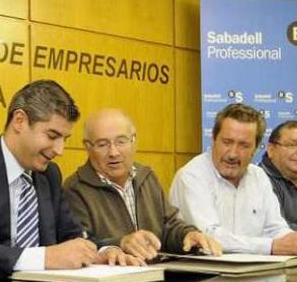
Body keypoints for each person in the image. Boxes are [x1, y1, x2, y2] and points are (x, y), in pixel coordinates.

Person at [0, 80, 138, 282]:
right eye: (52, 136)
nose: (59, 150)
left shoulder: (48, 175)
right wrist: (46, 257)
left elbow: (71, 235)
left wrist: (102, 252)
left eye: (64, 139)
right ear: (20, 121)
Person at [64, 109, 221, 261]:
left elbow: (168, 227)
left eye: (121, 141)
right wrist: (120, 243)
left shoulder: (146, 177)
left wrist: (188, 235)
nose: (113, 152)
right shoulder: (75, 189)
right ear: (87, 147)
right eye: (102, 144)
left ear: (133, 141)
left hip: (156, 279)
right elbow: (80, 244)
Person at [169, 103, 297, 255]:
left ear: (255, 148)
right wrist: (272, 246)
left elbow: (275, 228)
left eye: (243, 145)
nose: (233, 154)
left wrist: (296, 241)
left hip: (253, 271)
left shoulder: (259, 176)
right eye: (227, 142)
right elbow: (210, 236)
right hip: (201, 274)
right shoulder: (192, 176)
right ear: (213, 139)